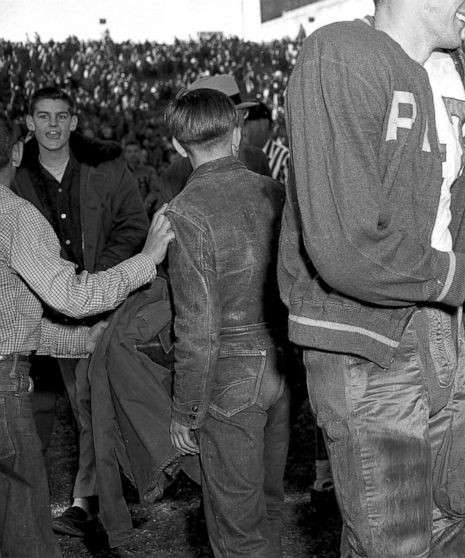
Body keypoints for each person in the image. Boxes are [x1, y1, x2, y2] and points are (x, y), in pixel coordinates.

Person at [280, 0, 465, 555]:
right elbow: (346, 248)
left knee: (453, 515)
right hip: (371, 341)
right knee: (394, 540)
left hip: (446, 326)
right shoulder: (342, 54)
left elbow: (457, 228)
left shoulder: (460, 70)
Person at [0, 113, 174, 558]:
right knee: (25, 534)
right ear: (18, 150)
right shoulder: (15, 215)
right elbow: (72, 297)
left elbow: (13, 323)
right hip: (3, 391)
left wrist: (85, 340)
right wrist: (147, 260)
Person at [164, 88, 291, 557]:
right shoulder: (274, 192)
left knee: (237, 532)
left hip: (229, 381)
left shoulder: (185, 212)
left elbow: (196, 329)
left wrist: (185, 410)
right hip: (280, 366)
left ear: (179, 146)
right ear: (237, 134)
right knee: (270, 507)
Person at [159, 75, 271, 199]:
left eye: (243, 113)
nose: (242, 122)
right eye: (237, 115)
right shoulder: (175, 175)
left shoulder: (256, 159)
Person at [242, 102, 291, 185]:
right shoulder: (240, 156)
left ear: (264, 123)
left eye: (245, 123)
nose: (241, 128)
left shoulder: (285, 159)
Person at [123, 137, 166, 216]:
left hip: (146, 212)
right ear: (125, 154)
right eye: (129, 151)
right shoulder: (121, 172)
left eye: (135, 151)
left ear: (140, 152)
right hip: (125, 213)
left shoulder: (149, 170)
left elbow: (155, 190)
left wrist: (145, 206)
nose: (133, 154)